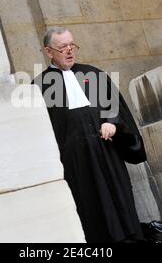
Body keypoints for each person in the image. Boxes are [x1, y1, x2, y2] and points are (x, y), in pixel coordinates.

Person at [33, 27, 147, 243]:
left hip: (107, 155)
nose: (69, 51)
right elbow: (40, 135)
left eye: (72, 45)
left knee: (121, 208)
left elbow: (115, 109)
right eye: (63, 47)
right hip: (77, 164)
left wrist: (112, 124)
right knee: (92, 213)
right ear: (49, 52)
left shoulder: (92, 74)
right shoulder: (39, 87)